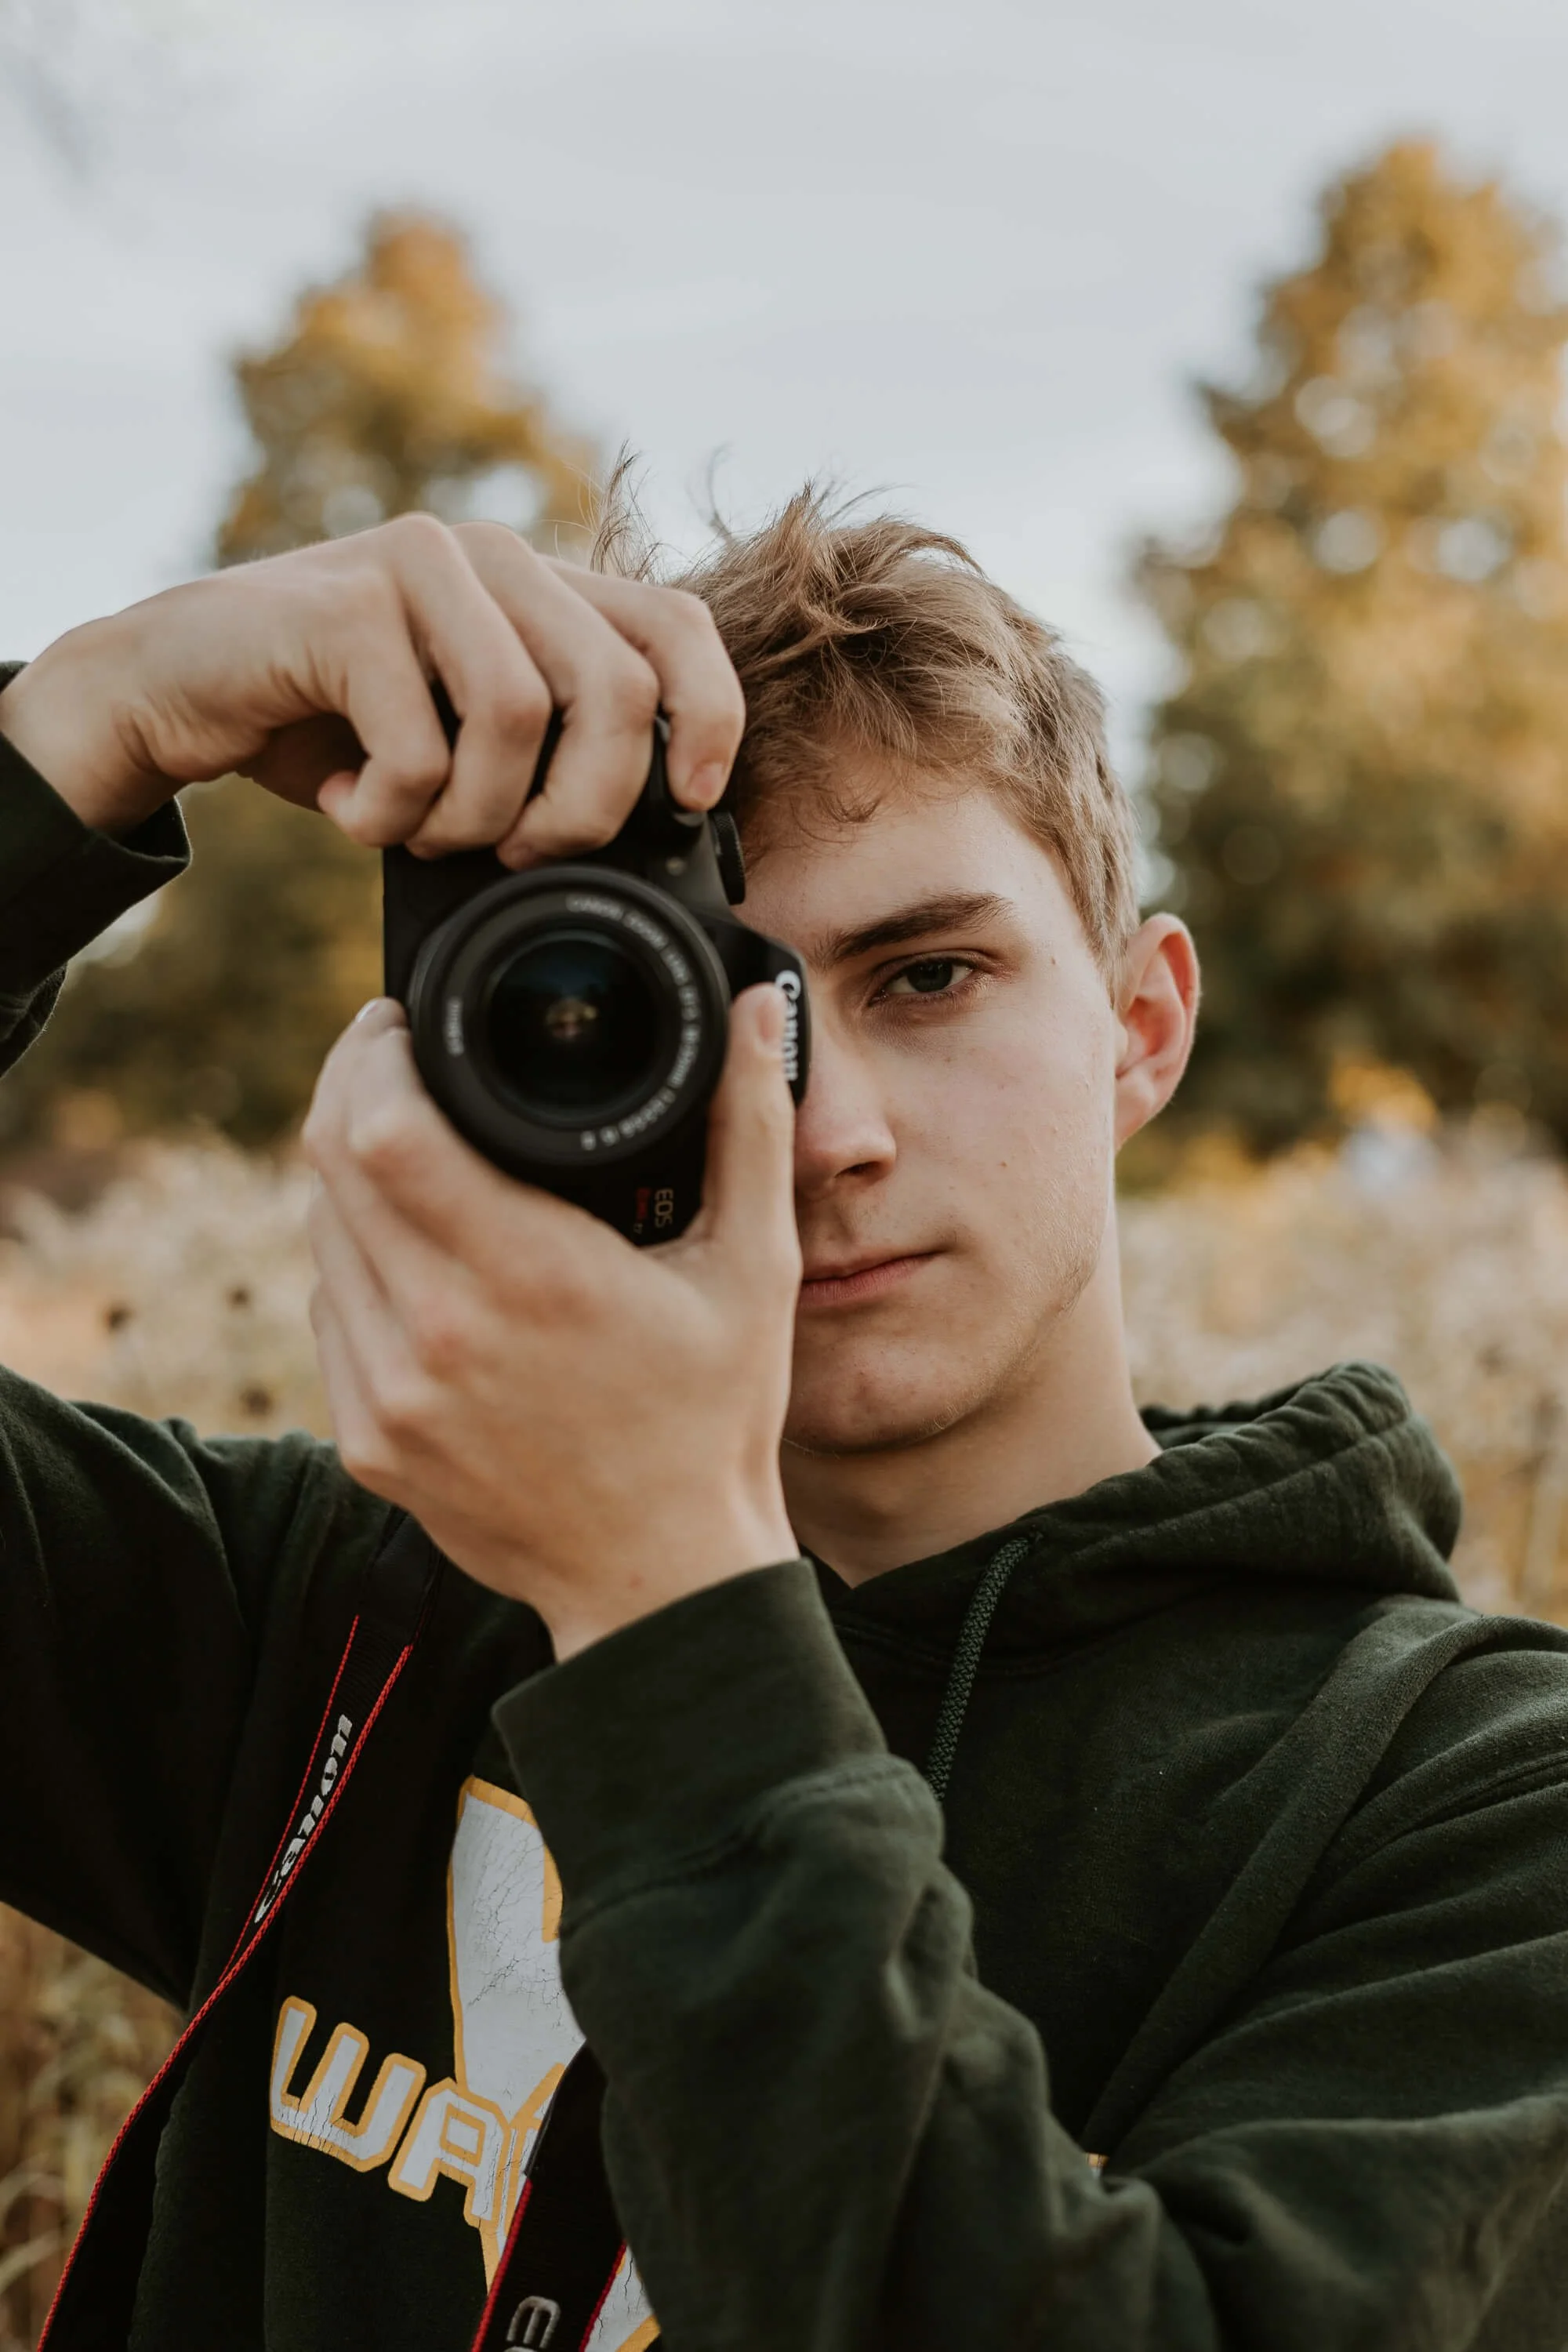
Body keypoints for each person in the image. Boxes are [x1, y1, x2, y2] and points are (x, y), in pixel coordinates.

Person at [2, 493, 1566, 2352]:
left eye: (929, 977)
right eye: (677, 1005)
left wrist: (660, 1600)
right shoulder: (333, 1616)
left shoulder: (1470, 1806)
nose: (823, 1133)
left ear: (1141, 1027)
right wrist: (78, 736)